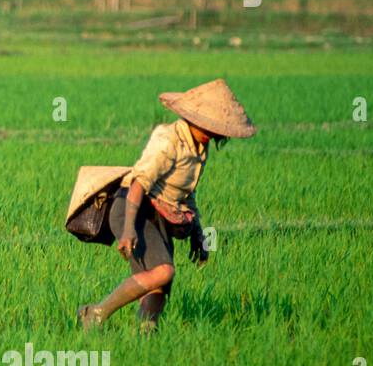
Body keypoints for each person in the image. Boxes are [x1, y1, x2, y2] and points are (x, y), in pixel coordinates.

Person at [78, 79, 256, 333]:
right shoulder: (168, 139)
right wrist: (128, 229)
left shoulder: (199, 148)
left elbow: (187, 194)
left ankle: (145, 335)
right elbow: (139, 183)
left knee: (160, 288)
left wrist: (198, 234)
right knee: (163, 271)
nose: (217, 134)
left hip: (160, 215)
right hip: (134, 207)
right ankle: (95, 313)